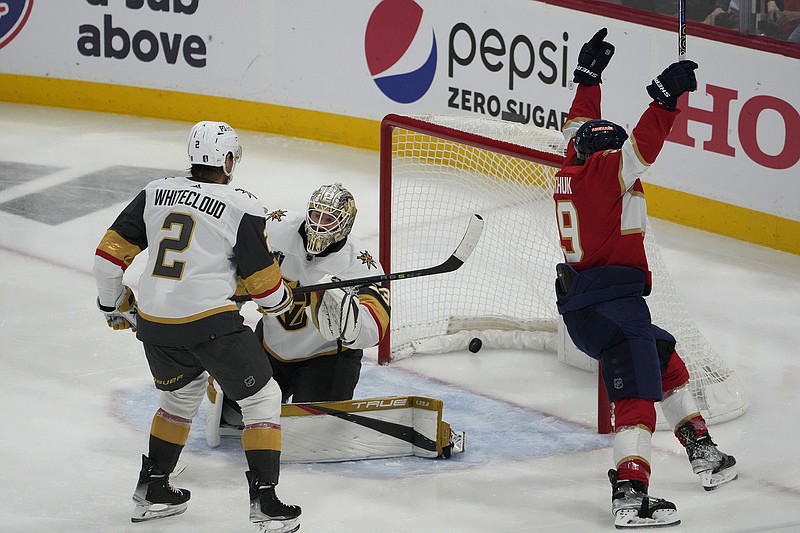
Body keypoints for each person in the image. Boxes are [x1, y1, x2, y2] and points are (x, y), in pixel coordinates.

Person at [552, 29, 738, 529]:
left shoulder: (570, 162)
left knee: (664, 360)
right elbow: (643, 147)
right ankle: (631, 496)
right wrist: (665, 98)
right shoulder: (605, 173)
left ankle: (701, 450)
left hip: (589, 303)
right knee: (635, 399)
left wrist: (587, 77)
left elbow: (579, 126)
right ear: (605, 157)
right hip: (614, 307)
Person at [93, 120, 301, 533]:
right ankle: (265, 503)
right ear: (227, 160)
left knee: (180, 398)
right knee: (262, 398)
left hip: (154, 324)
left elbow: (108, 255)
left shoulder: (155, 191)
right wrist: (281, 299)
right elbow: (264, 286)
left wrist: (113, 303)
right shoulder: (241, 204)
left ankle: (153, 491)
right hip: (210, 324)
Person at [210, 182, 391, 432]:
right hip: (270, 345)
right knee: (232, 416)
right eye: (316, 214)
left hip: (325, 358)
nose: (319, 223)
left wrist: (352, 324)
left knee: (315, 431)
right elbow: (233, 268)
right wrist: (220, 335)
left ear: (345, 224)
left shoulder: (359, 265)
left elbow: (376, 327)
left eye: (329, 219)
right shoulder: (276, 229)